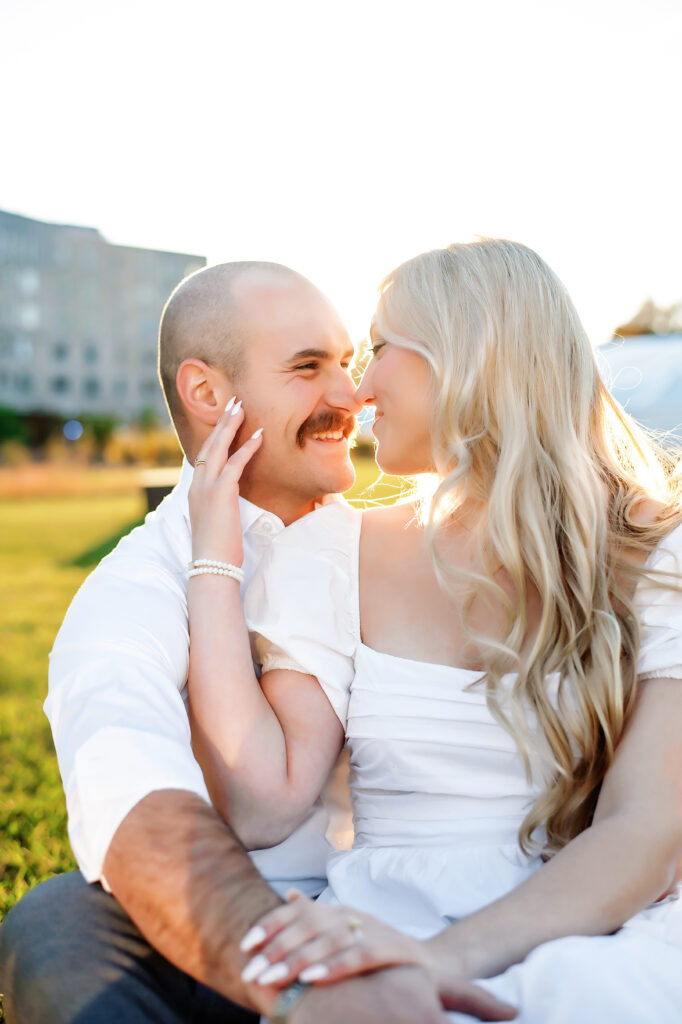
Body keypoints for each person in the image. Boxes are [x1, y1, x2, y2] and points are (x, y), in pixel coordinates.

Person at [183, 239, 682, 1023]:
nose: (357, 388)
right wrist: (213, 560)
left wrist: (440, 961)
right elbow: (258, 805)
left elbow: (647, 829)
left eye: (380, 349)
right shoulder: (334, 550)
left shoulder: (658, 555)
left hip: (601, 924)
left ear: (469, 359)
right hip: (385, 917)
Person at [0, 261, 508, 1024]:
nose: (349, 397)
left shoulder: (406, 542)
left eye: (348, 363)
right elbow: (131, 793)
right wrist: (306, 982)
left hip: (445, 907)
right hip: (244, 934)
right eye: (308, 368)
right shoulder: (132, 590)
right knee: (60, 922)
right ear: (207, 394)